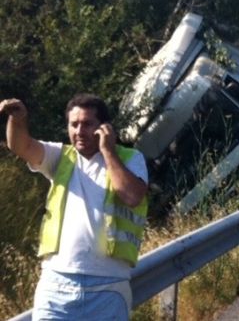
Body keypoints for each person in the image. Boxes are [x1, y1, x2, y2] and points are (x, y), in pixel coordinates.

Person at [0, 94, 149, 320]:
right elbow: (21, 146)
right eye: (74, 124)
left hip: (108, 288)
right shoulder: (61, 157)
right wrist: (17, 120)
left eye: (88, 124)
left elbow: (131, 196)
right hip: (56, 285)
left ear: (104, 128)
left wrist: (108, 151)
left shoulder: (129, 158)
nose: (79, 131)